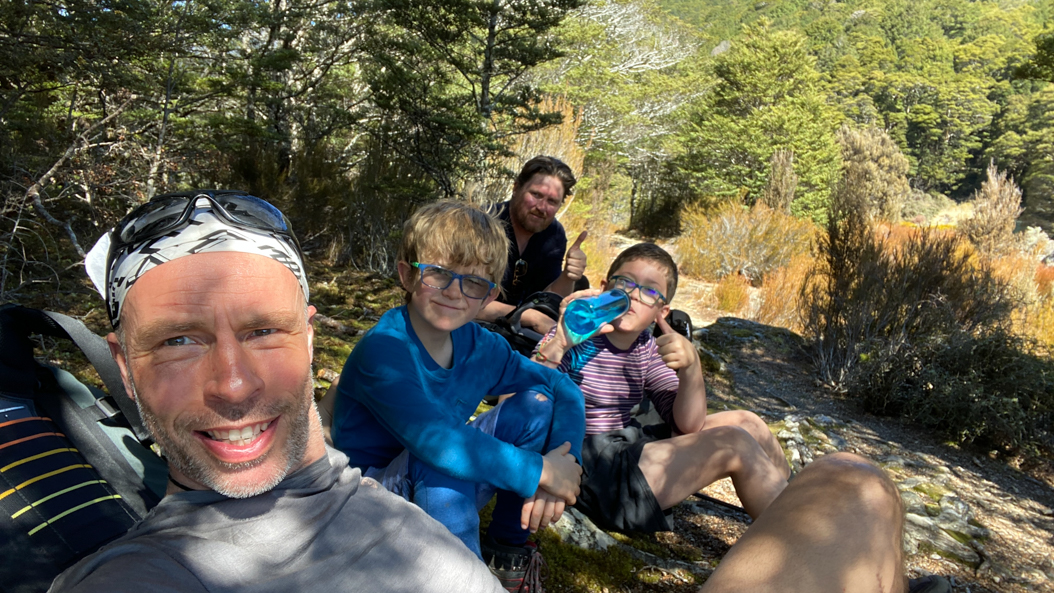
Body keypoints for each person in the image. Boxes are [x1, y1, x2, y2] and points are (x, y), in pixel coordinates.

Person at [50, 191, 506, 592]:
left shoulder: (415, 527)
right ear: (125, 367)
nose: (233, 386)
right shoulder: (137, 575)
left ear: (308, 340)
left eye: (263, 331)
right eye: (178, 341)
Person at [330, 201, 585, 592]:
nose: (454, 292)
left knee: (535, 405)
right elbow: (439, 444)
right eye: (438, 273)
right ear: (407, 275)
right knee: (445, 459)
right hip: (366, 502)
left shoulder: (481, 345)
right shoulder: (383, 350)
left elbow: (562, 387)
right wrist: (541, 471)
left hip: (430, 484)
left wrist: (565, 464)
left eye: (474, 282)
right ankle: (465, 580)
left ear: (490, 295)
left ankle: (507, 552)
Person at [532, 243, 791, 532]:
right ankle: (797, 540)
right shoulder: (575, 332)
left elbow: (688, 426)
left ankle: (798, 505)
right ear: (604, 287)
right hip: (591, 468)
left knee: (748, 423)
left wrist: (691, 368)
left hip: (626, 446)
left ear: (661, 311)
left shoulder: (646, 348)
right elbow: (520, 398)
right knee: (735, 444)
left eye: (649, 292)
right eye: (625, 282)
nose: (633, 294)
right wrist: (558, 343)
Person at [477, 156, 588, 333]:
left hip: (518, 331)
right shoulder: (482, 223)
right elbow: (463, 297)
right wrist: (527, 316)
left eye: (552, 201)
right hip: (473, 324)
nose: (542, 207)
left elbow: (548, 300)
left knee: (581, 283)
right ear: (516, 188)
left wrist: (569, 276)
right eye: (536, 195)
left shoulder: (554, 234)